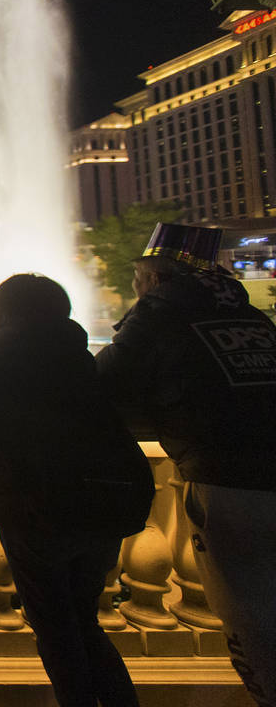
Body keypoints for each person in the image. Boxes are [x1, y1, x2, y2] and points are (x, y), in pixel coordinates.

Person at [0, 273, 152, 707]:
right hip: (104, 500)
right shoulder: (76, 351)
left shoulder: (10, 349)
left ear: (3, 316)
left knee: (56, 627)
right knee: (84, 622)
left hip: (41, 505)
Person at [96, 223, 276, 706]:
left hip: (227, 485)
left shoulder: (158, 314)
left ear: (155, 277)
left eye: (137, 276)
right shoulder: (252, 316)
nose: (135, 286)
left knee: (250, 622)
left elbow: (104, 380)